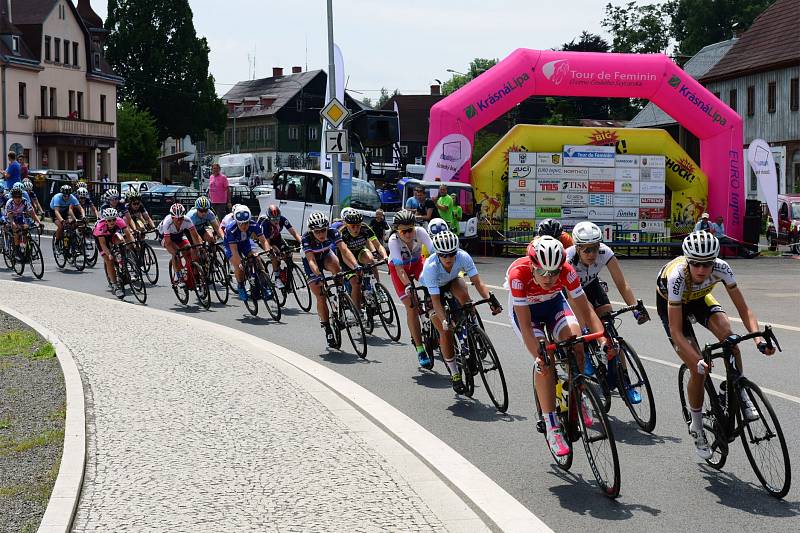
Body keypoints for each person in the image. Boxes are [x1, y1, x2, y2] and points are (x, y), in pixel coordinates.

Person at [656, 231, 773, 459]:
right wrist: (696, 360)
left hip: (700, 300)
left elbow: (744, 309)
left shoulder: (722, 268)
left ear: (715, 261)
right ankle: (697, 427)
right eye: (696, 264)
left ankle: (740, 394)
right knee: (697, 370)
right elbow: (676, 331)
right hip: (673, 304)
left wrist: (758, 339)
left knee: (731, 340)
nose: (702, 270)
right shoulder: (676, 277)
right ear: (688, 261)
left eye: (707, 264)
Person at [506, 236, 607, 457]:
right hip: (528, 314)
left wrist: (603, 340)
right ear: (532, 265)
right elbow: (525, 326)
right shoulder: (518, 275)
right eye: (543, 272)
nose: (549, 278)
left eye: (554, 272)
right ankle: (551, 425)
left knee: (577, 345)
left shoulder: (567, 271)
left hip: (553, 305)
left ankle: (576, 395)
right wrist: (539, 356)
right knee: (546, 362)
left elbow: (587, 310)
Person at [565, 221, 650, 403]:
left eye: (595, 248)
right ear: (577, 248)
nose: (592, 254)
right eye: (586, 250)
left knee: (612, 334)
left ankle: (625, 383)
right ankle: (585, 349)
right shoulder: (567, 259)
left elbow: (622, 283)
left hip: (591, 286)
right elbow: (578, 299)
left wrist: (636, 309)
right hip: (572, 292)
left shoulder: (605, 253)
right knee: (584, 323)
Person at [420, 231, 501, 392]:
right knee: (446, 332)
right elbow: (436, 301)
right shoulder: (431, 267)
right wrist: (444, 320)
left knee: (465, 295)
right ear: (437, 254)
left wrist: (490, 299)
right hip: (434, 291)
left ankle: (473, 329)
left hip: (451, 281)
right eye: (444, 255)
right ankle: (455, 373)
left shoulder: (463, 256)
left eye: (452, 254)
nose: (449, 258)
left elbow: (477, 282)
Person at [387, 209, 436, 367]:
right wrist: (408, 285)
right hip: (399, 269)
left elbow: (434, 253)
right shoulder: (393, 241)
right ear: (397, 230)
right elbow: (400, 270)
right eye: (404, 231)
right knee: (412, 306)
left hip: (416, 264)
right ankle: (420, 348)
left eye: (411, 229)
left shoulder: (420, 232)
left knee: (433, 287)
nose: (408, 234)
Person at [301, 211, 359, 346]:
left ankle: (340, 292)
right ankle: (327, 327)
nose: (321, 234)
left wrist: (356, 265)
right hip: (312, 262)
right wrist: (318, 275)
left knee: (336, 266)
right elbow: (311, 261)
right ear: (311, 231)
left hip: (326, 255)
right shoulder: (306, 238)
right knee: (320, 296)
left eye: (323, 230)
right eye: (317, 232)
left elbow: (344, 250)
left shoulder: (333, 232)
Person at [340, 210, 388, 314]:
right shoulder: (342, 234)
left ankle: (377, 286)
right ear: (346, 225)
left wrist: (385, 256)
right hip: (346, 259)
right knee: (355, 283)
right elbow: (344, 256)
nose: (356, 229)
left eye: (358, 225)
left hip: (360, 252)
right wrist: (355, 267)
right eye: (353, 226)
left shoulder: (365, 228)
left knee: (371, 260)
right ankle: (357, 311)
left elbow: (378, 245)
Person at [223, 205, 270, 302]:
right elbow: (234, 251)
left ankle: (265, 287)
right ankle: (240, 286)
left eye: (246, 223)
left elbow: (263, 240)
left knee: (257, 260)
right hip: (231, 246)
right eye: (241, 224)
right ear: (237, 222)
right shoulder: (231, 229)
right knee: (239, 267)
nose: (244, 226)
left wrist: (268, 252)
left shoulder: (254, 225)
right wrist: (239, 263)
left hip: (245, 243)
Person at [158, 203, 204, 288]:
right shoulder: (167, 223)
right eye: (177, 219)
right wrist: (176, 251)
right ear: (172, 217)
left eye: (181, 218)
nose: (180, 221)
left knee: (189, 249)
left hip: (179, 235)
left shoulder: (187, 220)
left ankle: (191, 273)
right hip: (165, 238)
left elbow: (195, 235)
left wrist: (199, 247)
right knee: (175, 253)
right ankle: (178, 276)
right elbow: (168, 243)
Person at [258, 204, 301, 289]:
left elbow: (294, 232)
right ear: (269, 218)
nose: (276, 221)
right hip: (266, 241)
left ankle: (287, 278)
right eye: (273, 219)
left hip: (277, 238)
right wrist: (273, 252)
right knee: (274, 255)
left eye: (277, 218)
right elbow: (267, 243)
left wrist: (302, 242)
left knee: (288, 254)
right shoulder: (265, 224)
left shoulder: (282, 219)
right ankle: (277, 278)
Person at [93, 207, 134, 294]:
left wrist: (132, 244)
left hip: (112, 235)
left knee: (122, 240)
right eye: (109, 220)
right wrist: (109, 254)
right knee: (109, 260)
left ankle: (124, 263)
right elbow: (103, 244)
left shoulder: (120, 221)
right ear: (105, 220)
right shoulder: (101, 226)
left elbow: (128, 234)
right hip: (101, 238)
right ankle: (115, 284)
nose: (112, 222)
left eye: (113, 220)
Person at [5, 185, 41, 258]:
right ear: (12, 197)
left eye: (19, 197)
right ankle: (17, 250)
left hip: (20, 217)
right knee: (16, 231)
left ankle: (23, 247)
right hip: (10, 218)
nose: (18, 199)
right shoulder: (10, 203)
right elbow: (10, 216)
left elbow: (32, 213)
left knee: (26, 229)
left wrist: (39, 222)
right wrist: (13, 223)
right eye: (16, 197)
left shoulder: (24, 201)